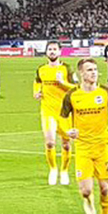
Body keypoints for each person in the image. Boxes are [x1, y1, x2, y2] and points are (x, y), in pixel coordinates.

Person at [60, 58, 108, 214]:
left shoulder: (105, 92)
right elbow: (63, 117)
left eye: (95, 69)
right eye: (89, 70)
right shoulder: (72, 95)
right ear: (81, 73)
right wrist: (68, 131)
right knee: (86, 190)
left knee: (105, 188)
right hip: (83, 148)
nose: (93, 73)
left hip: (103, 146)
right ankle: (88, 200)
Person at [34, 41, 76, 185]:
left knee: (66, 144)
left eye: (54, 49)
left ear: (60, 52)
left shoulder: (66, 69)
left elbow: (76, 88)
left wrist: (62, 82)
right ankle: (53, 169)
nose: (52, 52)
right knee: (50, 142)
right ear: (46, 52)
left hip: (64, 112)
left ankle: (64, 171)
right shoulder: (41, 69)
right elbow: (37, 82)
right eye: (50, 49)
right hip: (47, 111)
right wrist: (37, 91)